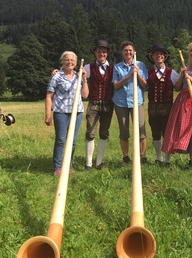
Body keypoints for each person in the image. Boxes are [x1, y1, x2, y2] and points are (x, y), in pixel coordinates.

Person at [162, 42, 192, 168]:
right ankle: (178, 157)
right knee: (177, 127)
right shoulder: (184, 68)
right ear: (188, 53)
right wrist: (182, 74)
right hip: (182, 99)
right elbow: (177, 88)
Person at [45, 51, 89, 176]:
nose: (70, 62)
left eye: (72, 60)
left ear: (76, 63)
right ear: (62, 62)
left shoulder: (78, 76)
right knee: (60, 140)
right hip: (61, 112)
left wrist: (84, 79)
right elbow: (49, 96)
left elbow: (85, 95)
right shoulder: (56, 76)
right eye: (67, 60)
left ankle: (68, 165)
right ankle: (58, 168)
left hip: (77, 112)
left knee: (73, 141)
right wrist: (48, 115)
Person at [112, 41, 148, 164]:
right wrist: (128, 76)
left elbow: (145, 85)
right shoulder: (117, 67)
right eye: (126, 50)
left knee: (141, 129)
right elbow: (116, 86)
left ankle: (142, 156)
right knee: (124, 130)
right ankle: (126, 156)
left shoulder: (140, 65)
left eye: (130, 50)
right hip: (121, 102)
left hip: (137, 101)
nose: (128, 52)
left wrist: (137, 74)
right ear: (122, 52)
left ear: (134, 52)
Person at [82, 40, 115, 172]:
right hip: (93, 103)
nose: (101, 53)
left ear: (107, 54)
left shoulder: (113, 68)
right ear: (95, 52)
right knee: (90, 132)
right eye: (99, 51)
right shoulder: (88, 68)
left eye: (104, 51)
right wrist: (58, 71)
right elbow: (74, 76)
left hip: (108, 104)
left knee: (104, 133)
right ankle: (88, 163)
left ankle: (99, 162)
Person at [145, 44, 179, 165]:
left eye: (161, 54)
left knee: (167, 133)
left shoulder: (172, 72)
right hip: (153, 107)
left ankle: (167, 160)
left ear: (164, 57)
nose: (159, 56)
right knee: (155, 133)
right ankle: (159, 158)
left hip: (167, 107)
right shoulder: (148, 72)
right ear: (152, 56)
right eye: (156, 54)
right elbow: (144, 85)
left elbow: (178, 87)